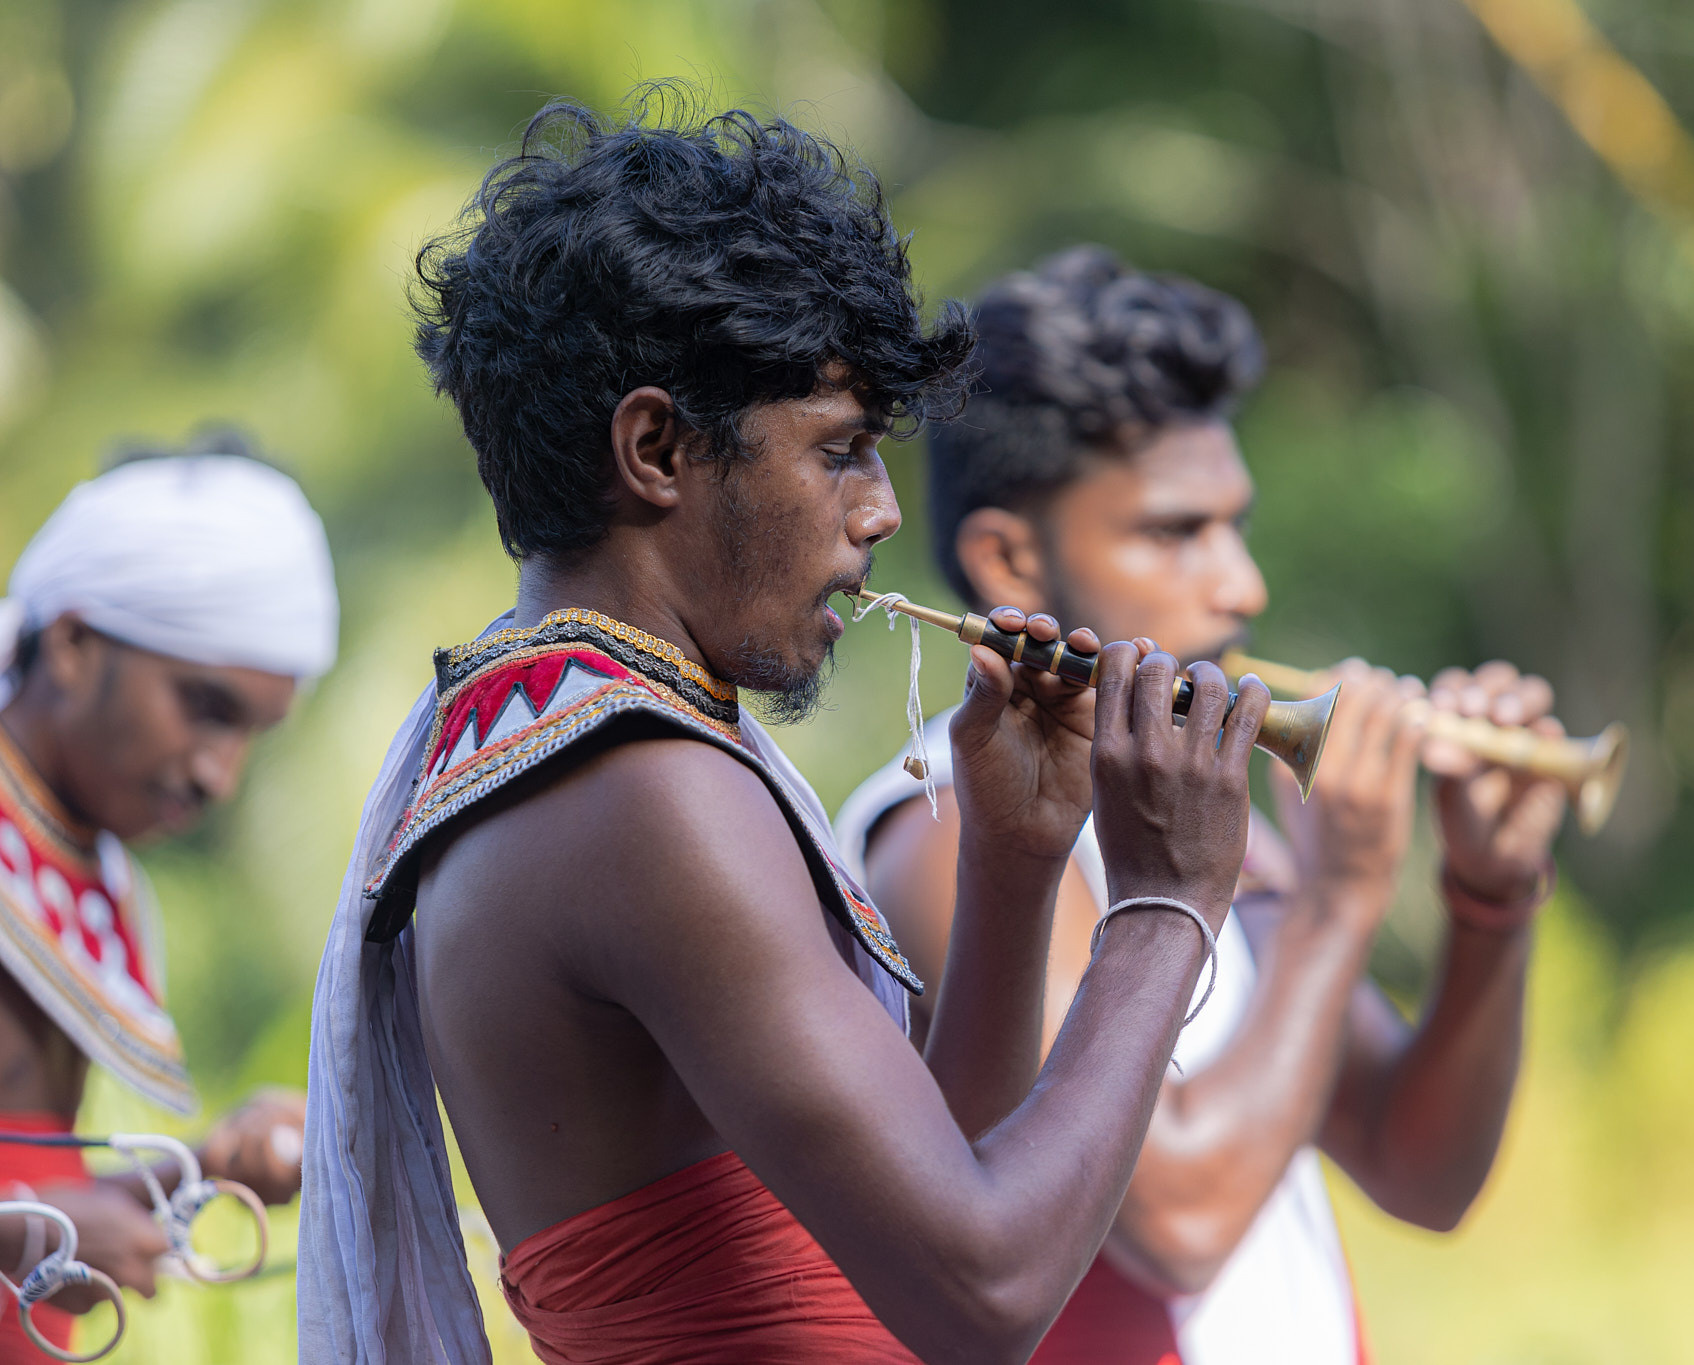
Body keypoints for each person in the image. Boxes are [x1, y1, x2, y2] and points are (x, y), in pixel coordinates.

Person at [299, 94, 1274, 1365]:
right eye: (842, 450)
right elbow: (983, 1298)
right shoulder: (639, 791)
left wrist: (1015, 857)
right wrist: (1165, 906)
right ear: (655, 447)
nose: (878, 513)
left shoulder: (565, 737)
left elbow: (937, 1189)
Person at [838, 246, 1572, 1365]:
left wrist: (1488, 897)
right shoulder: (947, 829)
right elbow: (1177, 1223)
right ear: (1008, 562)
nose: (1242, 586)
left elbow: (1416, 1170)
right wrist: (1334, 903)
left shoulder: (1186, 800)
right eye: (1175, 532)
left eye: (1234, 524)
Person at [0, 432, 336, 1357]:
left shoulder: (95, 883)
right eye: (205, 707)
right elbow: (27, 1214)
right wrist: (33, 1230)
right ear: (70, 642)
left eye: (251, 734)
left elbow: (31, 1186)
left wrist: (202, 1169)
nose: (221, 775)